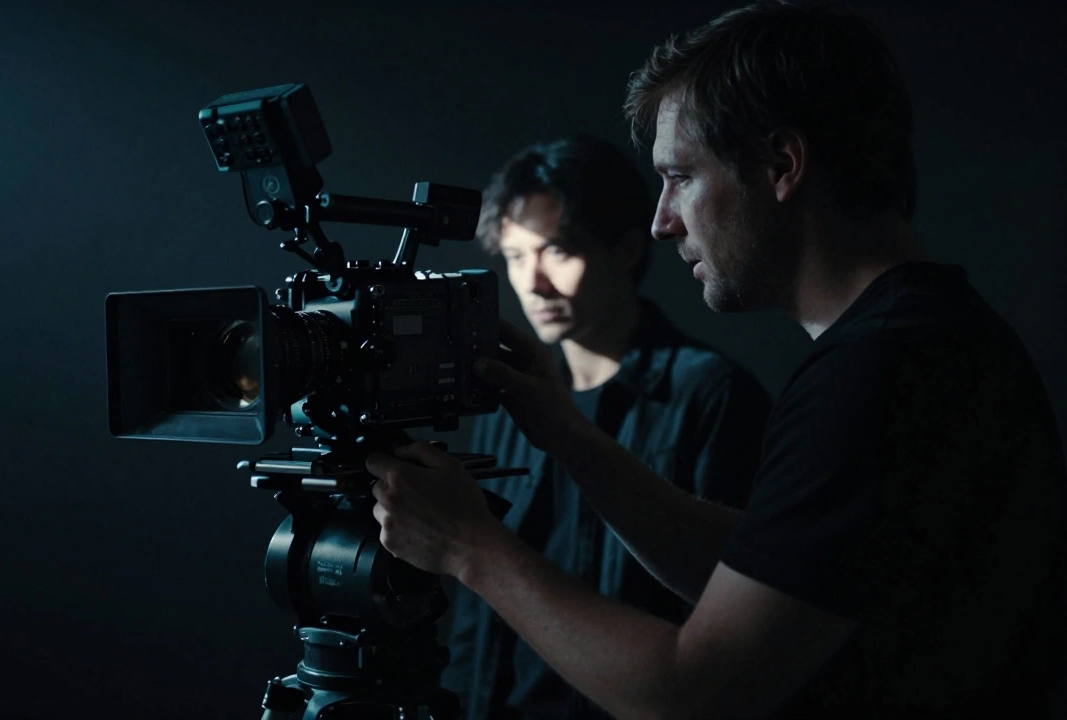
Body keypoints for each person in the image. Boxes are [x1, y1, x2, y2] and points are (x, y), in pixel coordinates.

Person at [366, 1, 1067, 717]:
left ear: (780, 164)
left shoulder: (879, 376)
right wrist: (564, 432)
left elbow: (694, 696)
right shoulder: (921, 343)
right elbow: (767, 571)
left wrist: (467, 547)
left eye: (681, 177)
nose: (661, 220)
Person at [442, 135, 773, 719]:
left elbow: (736, 615)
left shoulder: (708, 394)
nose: (534, 283)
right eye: (516, 257)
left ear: (622, 250)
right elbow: (478, 616)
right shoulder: (504, 400)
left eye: (557, 252)